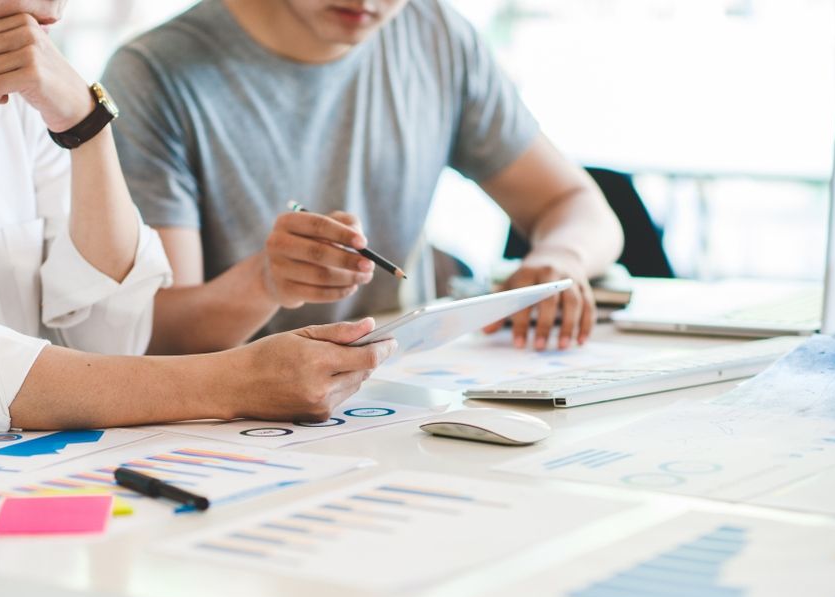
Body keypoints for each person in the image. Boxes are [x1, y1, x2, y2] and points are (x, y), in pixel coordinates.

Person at [0, 0, 394, 433]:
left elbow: (110, 337)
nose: (63, 8)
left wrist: (88, 124)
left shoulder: (21, 79)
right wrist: (234, 382)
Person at [102, 0, 624, 357]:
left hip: (395, 389)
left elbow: (578, 204)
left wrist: (561, 260)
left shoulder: (433, 32)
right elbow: (156, 334)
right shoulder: (152, 74)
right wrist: (265, 281)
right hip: (238, 415)